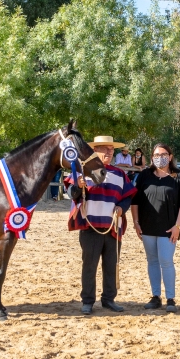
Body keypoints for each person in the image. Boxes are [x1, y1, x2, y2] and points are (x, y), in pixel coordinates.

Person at [64, 135, 136, 315]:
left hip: (112, 226)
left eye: (112, 150)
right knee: (89, 265)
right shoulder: (83, 172)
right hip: (90, 227)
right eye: (106, 149)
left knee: (111, 264)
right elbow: (72, 195)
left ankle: (109, 299)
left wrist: (122, 207)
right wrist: (77, 186)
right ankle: (87, 301)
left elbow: (128, 196)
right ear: (95, 150)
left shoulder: (120, 174)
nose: (110, 152)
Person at [132, 143, 180, 313]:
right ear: (152, 157)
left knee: (166, 261)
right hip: (147, 227)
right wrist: (136, 223)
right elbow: (135, 200)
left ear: (170, 156)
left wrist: (178, 226)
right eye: (156, 155)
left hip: (169, 228)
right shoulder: (144, 175)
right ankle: (156, 296)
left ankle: (170, 298)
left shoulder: (179, 176)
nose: (160, 157)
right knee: (152, 261)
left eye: (163, 154)